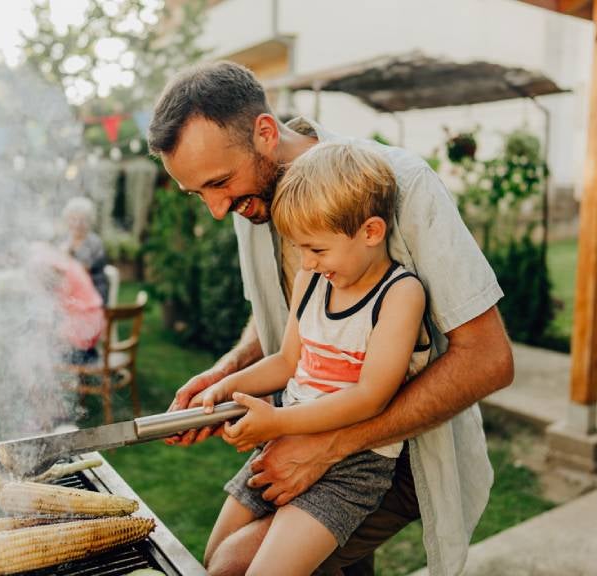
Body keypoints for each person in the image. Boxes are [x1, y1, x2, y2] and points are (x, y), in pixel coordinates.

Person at [148, 61, 514, 576]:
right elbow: (283, 320)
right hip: (304, 426)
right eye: (198, 193)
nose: (215, 208)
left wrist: (324, 447)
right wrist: (225, 375)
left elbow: (489, 359)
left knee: (231, 565)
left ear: (265, 134)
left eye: (219, 183)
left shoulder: (403, 185)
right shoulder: (251, 199)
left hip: (398, 452)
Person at [196, 142, 432, 575]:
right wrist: (225, 385)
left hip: (353, 465)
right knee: (215, 561)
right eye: (300, 248)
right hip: (286, 439)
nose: (306, 262)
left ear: (372, 232)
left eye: (317, 250)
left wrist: (277, 422)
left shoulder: (399, 295)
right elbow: (287, 362)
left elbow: (370, 398)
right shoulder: (312, 277)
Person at [60, 197, 109, 302]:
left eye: (82, 220)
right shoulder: (63, 240)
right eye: (74, 219)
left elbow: (85, 270)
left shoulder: (95, 242)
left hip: (93, 289)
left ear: (90, 221)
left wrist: (69, 255)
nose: (78, 224)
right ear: (67, 220)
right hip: (69, 289)